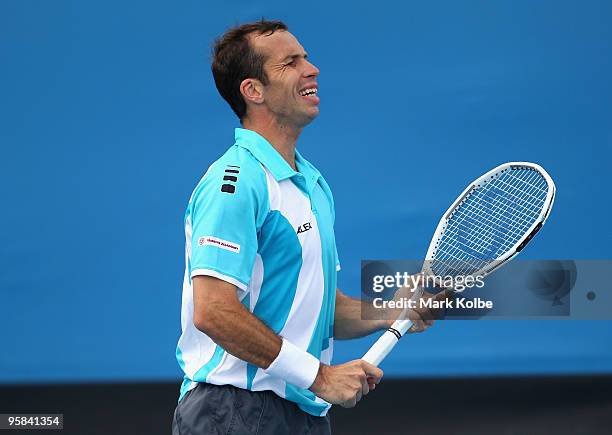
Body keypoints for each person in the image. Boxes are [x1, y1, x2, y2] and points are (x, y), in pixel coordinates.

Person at [172, 20, 435, 435]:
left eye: (307, 58)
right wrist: (321, 377)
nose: (311, 69)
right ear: (253, 90)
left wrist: (391, 311)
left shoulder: (311, 184)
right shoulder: (237, 182)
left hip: (302, 415)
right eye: (290, 63)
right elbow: (213, 311)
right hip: (232, 412)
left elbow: (320, 310)